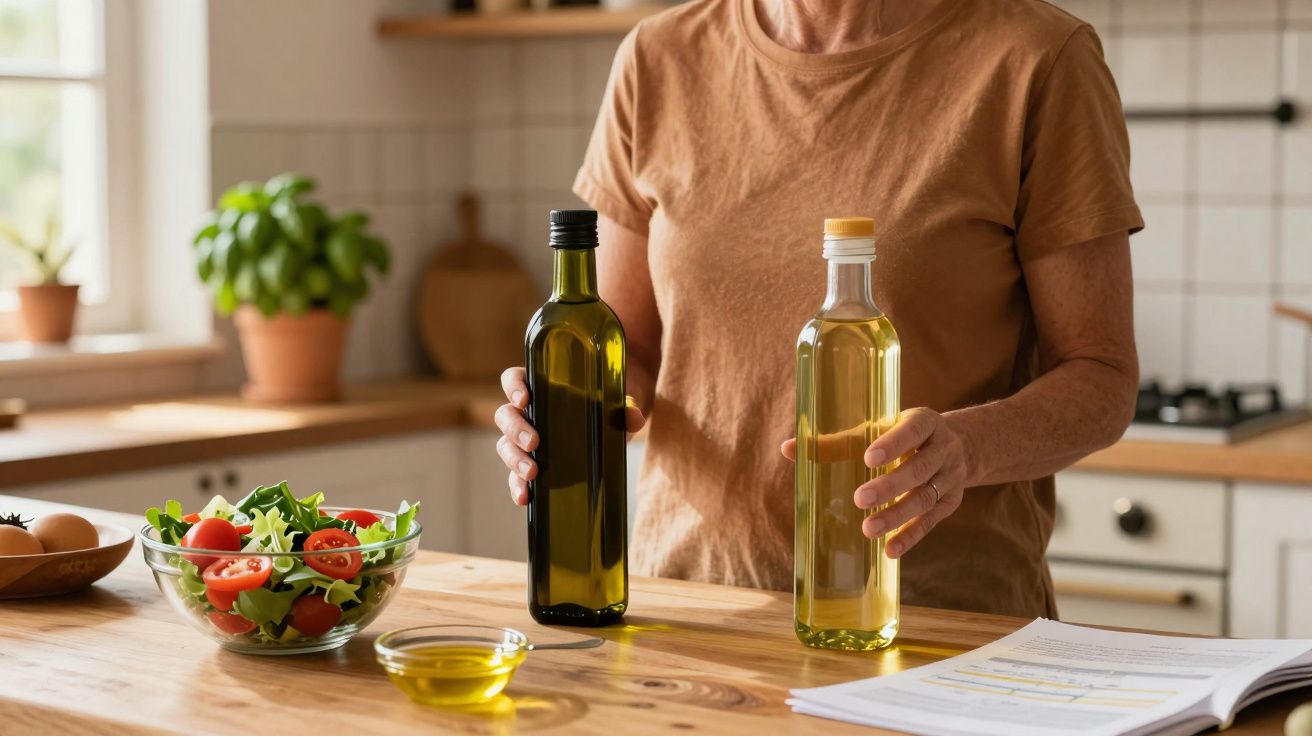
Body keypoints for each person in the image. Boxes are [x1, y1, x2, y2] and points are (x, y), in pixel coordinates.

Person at [493, 0, 1143, 617]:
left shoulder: (1037, 59)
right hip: (694, 610)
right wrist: (566, 409)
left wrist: (966, 449)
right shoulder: (657, 59)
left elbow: (1100, 375)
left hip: (936, 623)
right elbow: (627, 348)